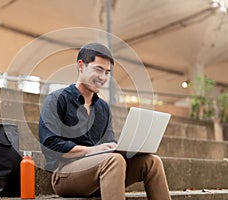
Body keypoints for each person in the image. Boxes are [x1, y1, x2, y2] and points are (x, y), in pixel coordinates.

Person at [38, 42, 171, 200]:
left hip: (102, 173)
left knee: (152, 162)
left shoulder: (103, 108)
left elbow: (109, 143)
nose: (103, 77)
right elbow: (50, 144)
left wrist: (129, 149)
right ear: (81, 66)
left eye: (107, 72)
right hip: (65, 175)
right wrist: (92, 150)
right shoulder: (57, 99)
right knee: (113, 160)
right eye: (98, 69)